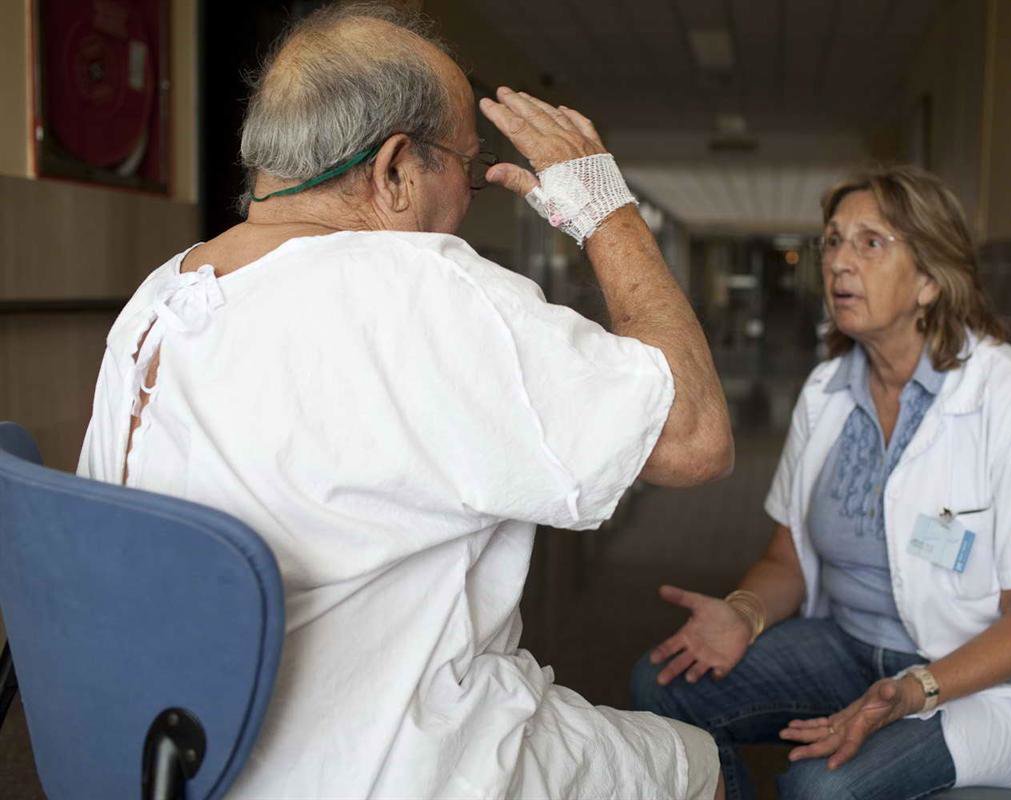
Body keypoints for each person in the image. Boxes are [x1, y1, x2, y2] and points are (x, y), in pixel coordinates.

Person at [78, 3, 733, 797]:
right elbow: (695, 438)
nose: (470, 196)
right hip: (396, 768)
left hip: (178, 756)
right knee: (704, 762)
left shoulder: (158, 299)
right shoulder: (425, 289)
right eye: (466, 166)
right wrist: (604, 208)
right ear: (394, 171)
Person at [631, 165, 1011, 800]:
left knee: (821, 787)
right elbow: (786, 559)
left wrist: (916, 689)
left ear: (929, 280)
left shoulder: (1009, 395)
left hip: (988, 677)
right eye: (834, 241)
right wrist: (744, 614)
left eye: (871, 243)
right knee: (662, 688)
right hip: (850, 645)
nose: (840, 262)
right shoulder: (826, 390)